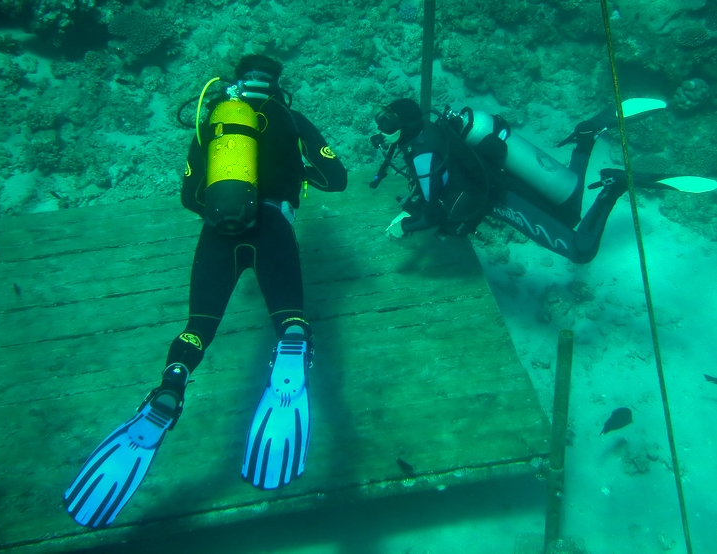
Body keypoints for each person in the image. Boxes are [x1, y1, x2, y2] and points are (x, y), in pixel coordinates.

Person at [64, 54, 347, 529]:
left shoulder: (216, 121)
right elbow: (335, 179)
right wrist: (299, 171)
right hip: (275, 223)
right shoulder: (291, 117)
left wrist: (228, 216)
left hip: (219, 230)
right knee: (288, 316)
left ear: (237, 82)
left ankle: (172, 383)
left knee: (198, 327)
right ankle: (293, 341)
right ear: (279, 87)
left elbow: (189, 195)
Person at [368, 97, 712, 263]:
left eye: (386, 123)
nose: (380, 130)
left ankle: (613, 187)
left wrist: (406, 226)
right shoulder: (427, 135)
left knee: (581, 250)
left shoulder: (421, 151)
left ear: (406, 125)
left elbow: (435, 213)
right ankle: (587, 137)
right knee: (571, 206)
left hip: (501, 198)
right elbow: (436, 182)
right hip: (499, 177)